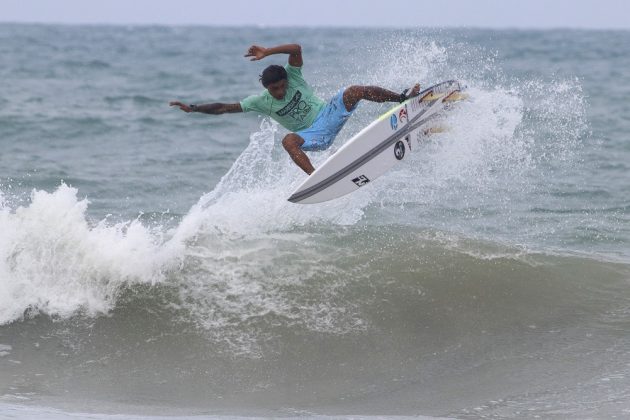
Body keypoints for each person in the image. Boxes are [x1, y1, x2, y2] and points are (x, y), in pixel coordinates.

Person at [170, 44, 420, 175]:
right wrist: (193, 108)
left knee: (354, 90)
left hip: (328, 114)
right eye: (274, 90)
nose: (279, 92)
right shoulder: (261, 101)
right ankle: (316, 177)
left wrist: (268, 51)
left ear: (286, 81)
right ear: (266, 88)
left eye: (281, 87)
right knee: (288, 140)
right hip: (311, 135)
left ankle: (402, 98)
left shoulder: (294, 75)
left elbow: (296, 48)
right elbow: (224, 108)